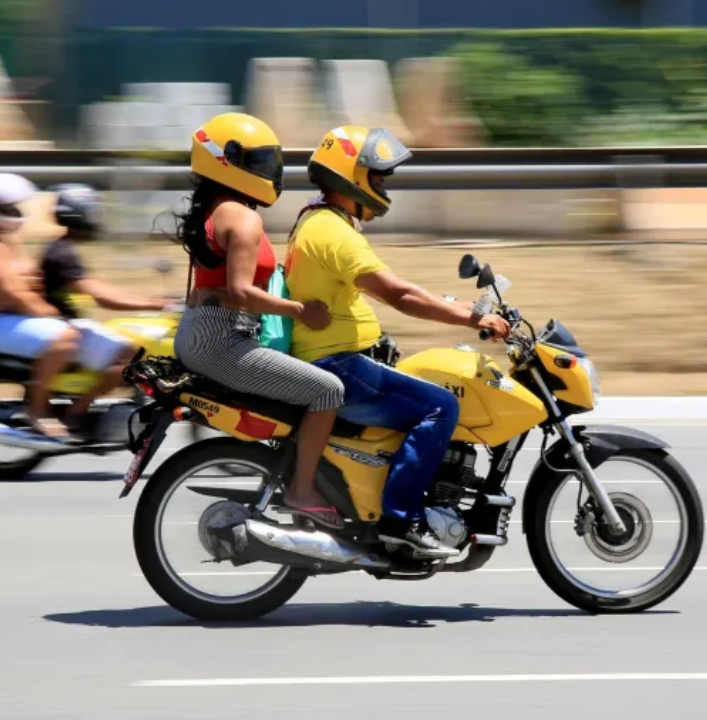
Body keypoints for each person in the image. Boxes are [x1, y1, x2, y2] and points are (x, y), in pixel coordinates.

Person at [284, 125, 510, 557]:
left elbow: (386, 293)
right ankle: (402, 520)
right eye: (377, 174)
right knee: (440, 406)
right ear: (351, 175)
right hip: (337, 365)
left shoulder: (321, 222)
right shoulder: (331, 231)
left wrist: (461, 306)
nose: (384, 183)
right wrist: (472, 316)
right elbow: (400, 295)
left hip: (339, 360)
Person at [171, 112, 347, 529]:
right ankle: (303, 489)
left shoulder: (214, 209)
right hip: (224, 343)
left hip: (199, 332)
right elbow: (241, 293)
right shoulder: (244, 217)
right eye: (259, 161)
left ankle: (295, 471)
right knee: (328, 390)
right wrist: (303, 311)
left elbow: (213, 287)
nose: (268, 171)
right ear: (227, 161)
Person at [0, 172, 83, 441]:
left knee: (78, 335)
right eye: (8, 208)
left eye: (15, 207)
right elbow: (11, 290)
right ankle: (37, 411)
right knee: (64, 338)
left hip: (7, 317)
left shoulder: (8, 240)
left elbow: (30, 282)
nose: (15, 213)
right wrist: (46, 311)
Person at [38, 183, 170, 439]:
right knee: (131, 355)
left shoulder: (63, 249)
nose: (97, 219)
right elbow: (102, 298)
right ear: (81, 215)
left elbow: (99, 287)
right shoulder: (61, 254)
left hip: (70, 326)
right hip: (67, 328)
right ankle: (76, 412)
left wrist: (148, 300)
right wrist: (152, 304)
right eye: (93, 213)